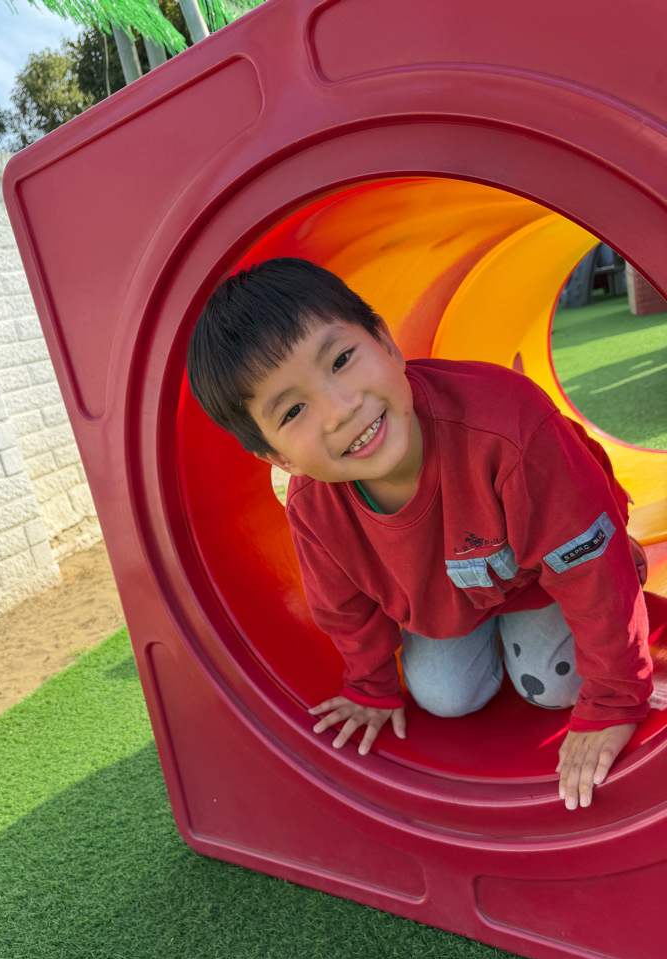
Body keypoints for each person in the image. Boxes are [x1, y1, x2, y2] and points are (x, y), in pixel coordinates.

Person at [187, 257, 653, 811]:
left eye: (341, 360)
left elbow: (588, 570)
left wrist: (616, 700)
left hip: (550, 570)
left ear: (385, 342)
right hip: (448, 598)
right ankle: (495, 635)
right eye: (293, 411)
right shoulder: (315, 508)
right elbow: (344, 607)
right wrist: (371, 687)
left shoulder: (506, 427)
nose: (340, 410)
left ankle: (610, 573)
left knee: (554, 686)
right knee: (445, 698)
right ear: (277, 457)